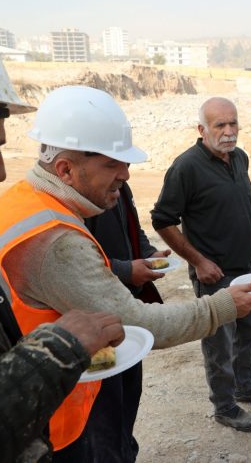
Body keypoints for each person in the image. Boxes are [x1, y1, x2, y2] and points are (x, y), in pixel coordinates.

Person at [0, 85, 251, 461]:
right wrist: (222, 307)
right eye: (111, 163)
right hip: (60, 418)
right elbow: (136, 321)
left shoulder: (31, 204)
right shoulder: (51, 239)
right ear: (66, 169)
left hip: (54, 389)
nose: (126, 174)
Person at [0, 22, 124, 462]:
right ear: (68, 169)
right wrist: (58, 347)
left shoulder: (10, 213)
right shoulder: (47, 230)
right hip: (58, 421)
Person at [151, 97, 251, 432]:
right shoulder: (186, 167)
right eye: (220, 125)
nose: (229, 132)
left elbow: (246, 197)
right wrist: (198, 261)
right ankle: (225, 407)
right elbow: (163, 219)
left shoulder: (240, 158)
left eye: (233, 124)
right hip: (215, 274)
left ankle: (245, 386)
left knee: (250, 331)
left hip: (246, 266)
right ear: (202, 129)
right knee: (220, 343)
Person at [82, 181, 171, 462]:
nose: (124, 172)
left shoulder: (119, 184)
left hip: (126, 311)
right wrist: (125, 269)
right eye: (113, 163)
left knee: (128, 397)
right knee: (103, 413)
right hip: (94, 322)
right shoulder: (70, 200)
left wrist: (147, 253)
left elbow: (134, 228)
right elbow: (80, 260)